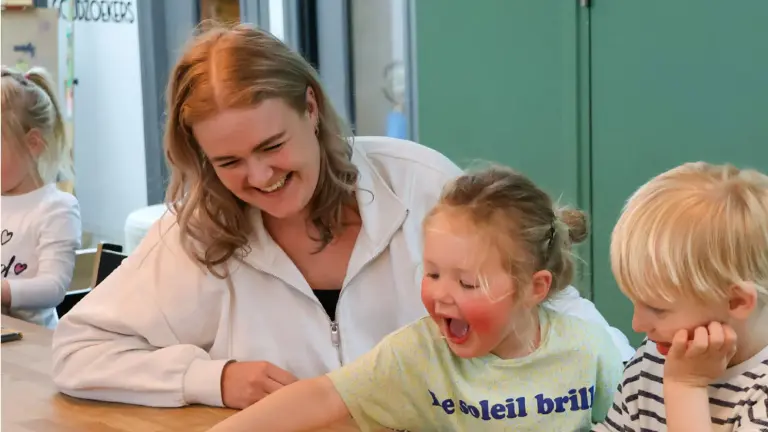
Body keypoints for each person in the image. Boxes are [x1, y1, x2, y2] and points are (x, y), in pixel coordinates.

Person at [51, 23, 633, 410]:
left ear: (310, 105)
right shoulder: (197, 229)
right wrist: (215, 379)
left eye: (271, 146)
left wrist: (656, 377)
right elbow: (78, 350)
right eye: (228, 161)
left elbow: (558, 319)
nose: (258, 177)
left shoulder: (418, 183)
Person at [207, 165, 624, 431]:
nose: (442, 294)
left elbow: (632, 418)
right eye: (433, 273)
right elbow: (323, 396)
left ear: (535, 288)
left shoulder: (586, 349)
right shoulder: (416, 353)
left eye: (467, 283)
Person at [592, 162, 768, 431]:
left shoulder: (759, 395)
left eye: (658, 309)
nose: (637, 325)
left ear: (737, 302)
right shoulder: (655, 356)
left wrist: (686, 387)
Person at [1, 66, 81, 329]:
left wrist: (4, 290)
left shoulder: (56, 209)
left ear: (33, 143)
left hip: (35, 349)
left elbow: (53, 287)